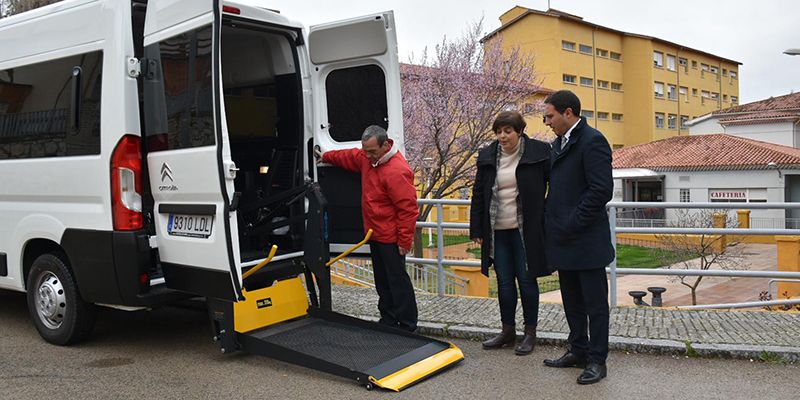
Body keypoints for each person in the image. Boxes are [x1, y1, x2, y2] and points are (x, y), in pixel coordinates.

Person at [541, 90, 614, 384]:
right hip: (563, 238)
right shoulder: (558, 143)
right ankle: (578, 350)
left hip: (586, 239)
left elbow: (600, 190)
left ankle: (597, 360)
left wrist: (572, 222)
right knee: (571, 301)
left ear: (568, 113)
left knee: (595, 305)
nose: (546, 122)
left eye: (550, 116)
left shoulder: (592, 140)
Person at [319, 125, 419, 332]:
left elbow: (408, 209)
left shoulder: (397, 171)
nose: (368, 155)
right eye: (366, 150)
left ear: (385, 145)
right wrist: (326, 156)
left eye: (372, 151)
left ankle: (408, 325)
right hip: (374, 233)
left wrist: (404, 241)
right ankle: (389, 319)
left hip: (391, 237)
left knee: (397, 280)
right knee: (382, 280)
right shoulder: (367, 159)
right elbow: (349, 156)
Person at [469, 111, 553, 355]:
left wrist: (543, 215)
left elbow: (553, 185)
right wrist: (476, 227)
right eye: (499, 131)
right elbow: (479, 193)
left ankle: (530, 333)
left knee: (527, 281)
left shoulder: (539, 152)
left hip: (525, 230)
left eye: (508, 131)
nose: (502, 136)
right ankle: (507, 331)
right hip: (497, 230)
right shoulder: (487, 156)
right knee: (504, 283)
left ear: (519, 131)